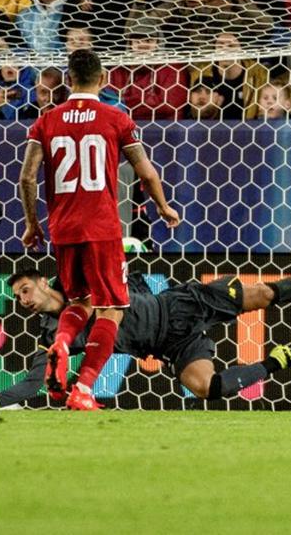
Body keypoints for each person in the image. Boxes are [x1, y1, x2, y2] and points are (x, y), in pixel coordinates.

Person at [0, 266, 291, 409]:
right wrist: (0, 396)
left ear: (40, 280)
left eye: (24, 291)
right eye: (17, 298)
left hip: (181, 305)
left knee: (262, 294)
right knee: (207, 387)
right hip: (169, 346)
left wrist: (129, 253)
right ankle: (280, 359)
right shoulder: (55, 333)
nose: (23, 301)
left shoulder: (78, 277)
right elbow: (38, 378)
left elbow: (122, 269)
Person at [19, 49, 181, 410]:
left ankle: (61, 342)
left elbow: (27, 177)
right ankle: (84, 389)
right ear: (103, 79)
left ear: (70, 79)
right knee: (111, 310)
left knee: (79, 302)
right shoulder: (116, 118)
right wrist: (162, 205)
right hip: (103, 228)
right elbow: (146, 171)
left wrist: (33, 224)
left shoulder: (46, 121)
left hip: (63, 229)